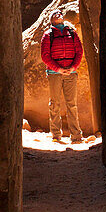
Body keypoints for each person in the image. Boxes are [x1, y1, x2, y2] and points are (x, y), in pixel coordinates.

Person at [40, 9, 84, 143]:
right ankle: (56, 135)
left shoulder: (72, 33)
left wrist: (73, 67)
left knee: (72, 104)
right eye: (54, 14)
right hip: (55, 74)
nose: (58, 15)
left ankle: (76, 135)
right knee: (55, 104)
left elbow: (79, 51)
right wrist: (58, 69)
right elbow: (45, 56)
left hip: (71, 73)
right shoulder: (48, 35)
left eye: (59, 13)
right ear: (51, 19)